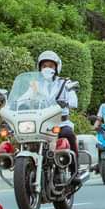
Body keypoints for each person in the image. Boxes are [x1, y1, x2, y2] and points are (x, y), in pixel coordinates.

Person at [33, 51, 81, 184]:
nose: (47, 68)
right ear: (39, 68)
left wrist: (67, 102)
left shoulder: (65, 83)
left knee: (68, 134)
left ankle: (75, 170)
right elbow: (25, 97)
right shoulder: (35, 84)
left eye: (50, 66)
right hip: (41, 124)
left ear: (57, 67)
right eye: (44, 66)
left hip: (60, 123)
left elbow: (74, 101)